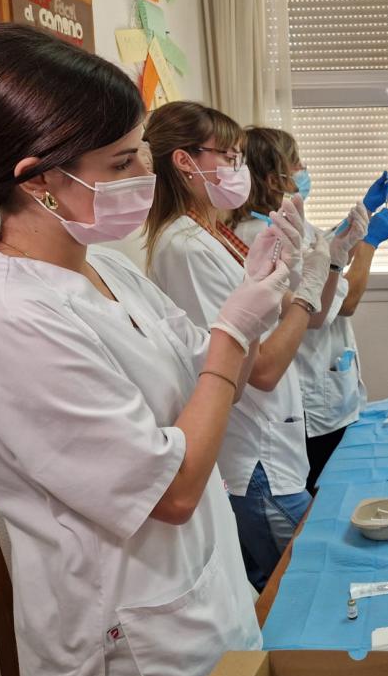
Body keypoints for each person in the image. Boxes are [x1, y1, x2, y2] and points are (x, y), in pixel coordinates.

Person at [0, 24, 295, 676]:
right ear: (39, 179)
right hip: (133, 666)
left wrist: (248, 302)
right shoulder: (10, 317)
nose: (147, 171)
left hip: (204, 607)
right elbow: (171, 490)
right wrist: (234, 333)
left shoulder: (105, 267)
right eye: (121, 161)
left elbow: (209, 374)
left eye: (141, 150)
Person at [143, 103, 366, 590]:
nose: (237, 168)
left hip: (277, 445)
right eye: (229, 156)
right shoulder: (184, 247)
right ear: (186, 162)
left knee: (295, 581)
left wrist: (332, 261)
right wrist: (306, 291)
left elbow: (308, 316)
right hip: (254, 455)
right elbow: (259, 369)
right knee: (313, 586)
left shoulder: (216, 234)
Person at [233, 127, 388, 490]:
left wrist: (364, 211)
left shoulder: (281, 222)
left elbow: (324, 247)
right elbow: (341, 302)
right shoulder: (265, 237)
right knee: (326, 492)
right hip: (311, 392)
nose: (304, 168)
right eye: (295, 162)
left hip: (325, 385)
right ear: (272, 177)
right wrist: (368, 245)